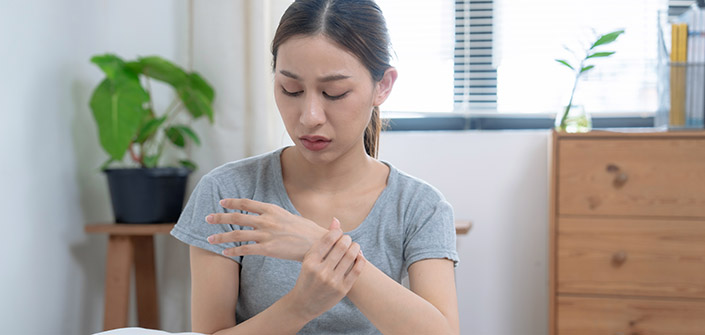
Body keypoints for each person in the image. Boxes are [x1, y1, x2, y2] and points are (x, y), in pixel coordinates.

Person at [170, 0, 459, 333]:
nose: (309, 116)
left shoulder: (419, 206)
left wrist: (320, 247)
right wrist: (300, 306)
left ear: (383, 86)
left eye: (334, 92)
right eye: (290, 89)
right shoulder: (228, 192)